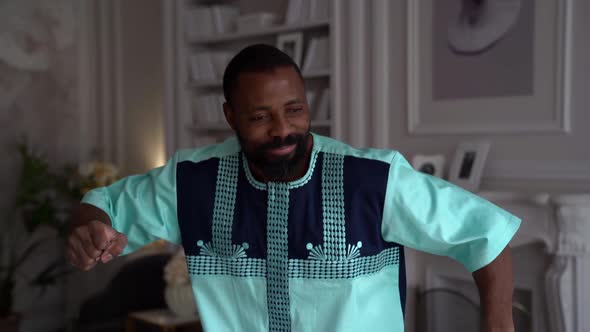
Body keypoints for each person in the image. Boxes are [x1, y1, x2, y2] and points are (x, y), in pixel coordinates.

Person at [68, 44, 520, 332]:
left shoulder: (374, 179)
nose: (284, 130)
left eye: (295, 109)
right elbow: (101, 207)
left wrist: (497, 324)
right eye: (261, 116)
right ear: (231, 116)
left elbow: (486, 234)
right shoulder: (190, 181)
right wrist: (93, 229)